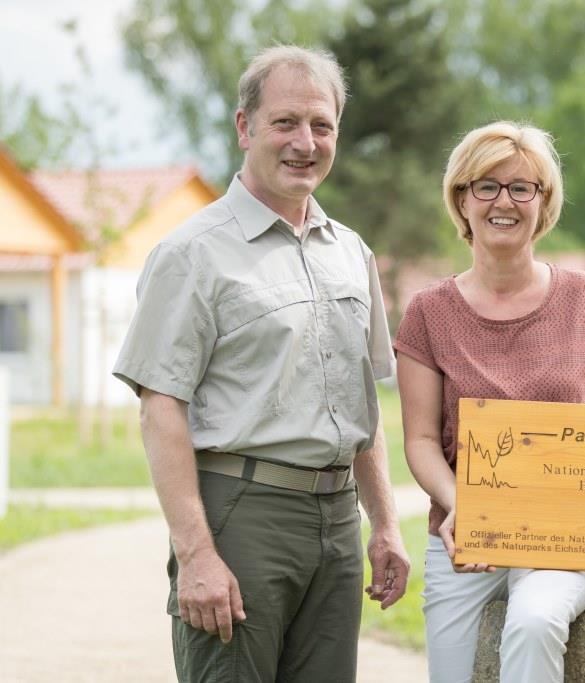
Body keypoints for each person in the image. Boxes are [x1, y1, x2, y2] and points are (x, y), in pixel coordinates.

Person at [113, 45, 409, 682]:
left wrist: (384, 524)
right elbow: (160, 406)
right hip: (242, 516)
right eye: (285, 123)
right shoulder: (192, 253)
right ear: (245, 128)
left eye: (321, 125)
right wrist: (195, 554)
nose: (305, 142)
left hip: (337, 525)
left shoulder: (351, 253)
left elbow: (363, 403)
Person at [395, 121, 585, 682]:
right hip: (466, 535)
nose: (505, 201)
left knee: (532, 620)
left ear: (543, 201)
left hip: (573, 535)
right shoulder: (428, 312)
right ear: (462, 198)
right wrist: (461, 505)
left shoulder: (583, 296)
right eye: (487, 186)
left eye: (522, 187)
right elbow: (422, 440)